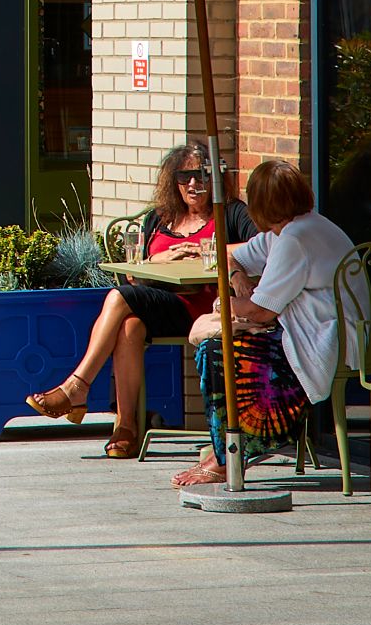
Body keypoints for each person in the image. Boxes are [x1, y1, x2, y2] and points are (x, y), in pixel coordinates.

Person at [25, 143, 255, 458]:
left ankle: (78, 388)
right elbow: (136, 274)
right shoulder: (160, 218)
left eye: (202, 175)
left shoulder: (231, 212)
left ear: (215, 176)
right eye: (185, 176)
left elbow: (260, 247)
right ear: (173, 181)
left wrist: (206, 250)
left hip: (207, 310)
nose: (193, 184)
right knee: (130, 325)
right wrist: (165, 257)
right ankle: (126, 426)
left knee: (118, 297)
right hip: (165, 302)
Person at [174, 158, 367, 488]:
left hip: (324, 340)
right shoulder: (296, 229)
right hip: (330, 333)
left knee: (214, 351)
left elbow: (263, 312)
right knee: (224, 345)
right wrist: (237, 277)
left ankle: (228, 455)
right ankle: (225, 448)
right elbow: (230, 252)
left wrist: (227, 304)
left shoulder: (294, 240)